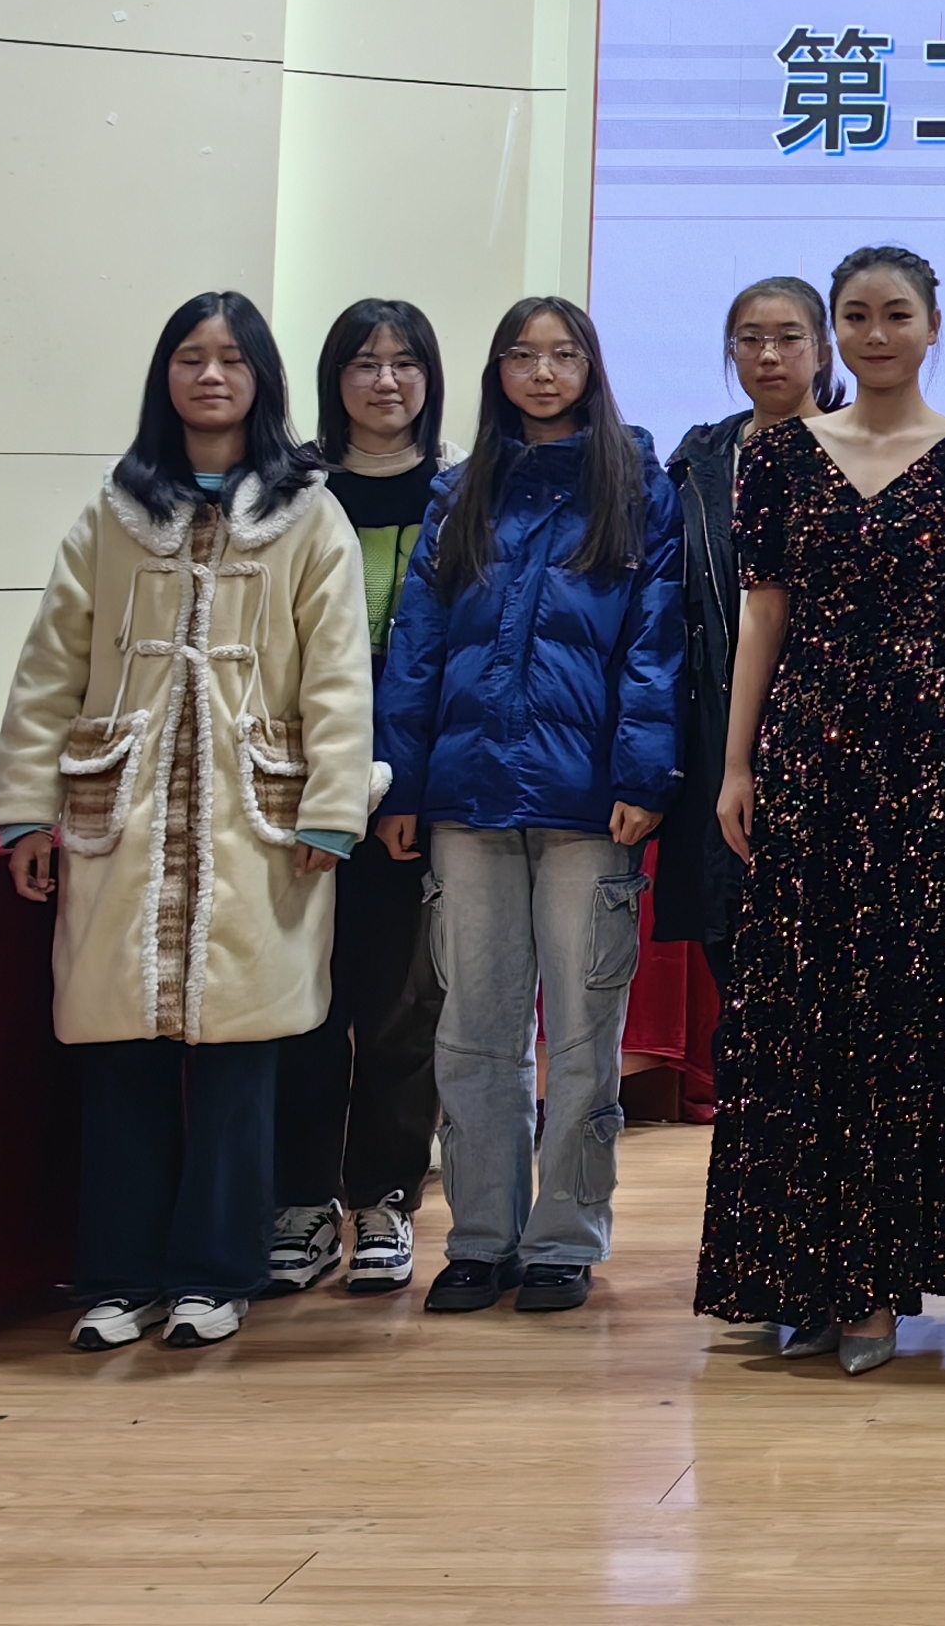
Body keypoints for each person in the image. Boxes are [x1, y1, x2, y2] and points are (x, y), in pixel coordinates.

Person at [0, 292, 371, 1354]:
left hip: (259, 819)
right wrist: (25, 811)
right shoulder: (112, 513)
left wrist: (332, 811)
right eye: (191, 358)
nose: (210, 376)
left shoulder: (309, 515)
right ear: (165, 376)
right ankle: (119, 1276)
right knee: (121, 1055)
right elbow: (50, 667)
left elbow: (339, 675)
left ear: (262, 380)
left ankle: (216, 1272)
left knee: (242, 1058)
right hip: (123, 817)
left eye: (231, 359)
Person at [698, 247, 945, 1370]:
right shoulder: (779, 458)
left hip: (928, 758)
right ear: (834, 330)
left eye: (897, 315)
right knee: (795, 1011)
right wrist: (737, 764)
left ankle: (880, 1288)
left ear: (935, 325)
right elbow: (762, 616)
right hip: (806, 754)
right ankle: (795, 1273)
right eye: (856, 315)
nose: (876, 334)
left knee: (904, 1014)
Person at [370, 296, 684, 1319]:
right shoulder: (460, 493)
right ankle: (479, 1239)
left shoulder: (639, 489)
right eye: (521, 355)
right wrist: (401, 779)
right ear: (497, 372)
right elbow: (418, 644)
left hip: (590, 803)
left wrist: (642, 776)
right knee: (474, 1028)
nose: (542, 373)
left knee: (585, 1035)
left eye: (563, 355)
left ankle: (564, 1240)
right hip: (465, 798)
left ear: (591, 368)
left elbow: (654, 644)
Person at [262, 298, 448, 1301]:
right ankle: (299, 1198)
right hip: (295, 779)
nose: (385, 381)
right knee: (300, 995)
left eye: (404, 362)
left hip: (412, 781)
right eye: (364, 362)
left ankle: (384, 1195)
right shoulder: (289, 492)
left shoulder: (459, 490)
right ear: (333, 379)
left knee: (399, 1001)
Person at [656, 277, 844, 977]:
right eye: (751, 340)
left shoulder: (859, 456)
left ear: (822, 351)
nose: (769, 355)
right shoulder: (698, 464)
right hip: (716, 728)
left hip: (826, 732)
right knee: (729, 944)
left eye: (790, 338)